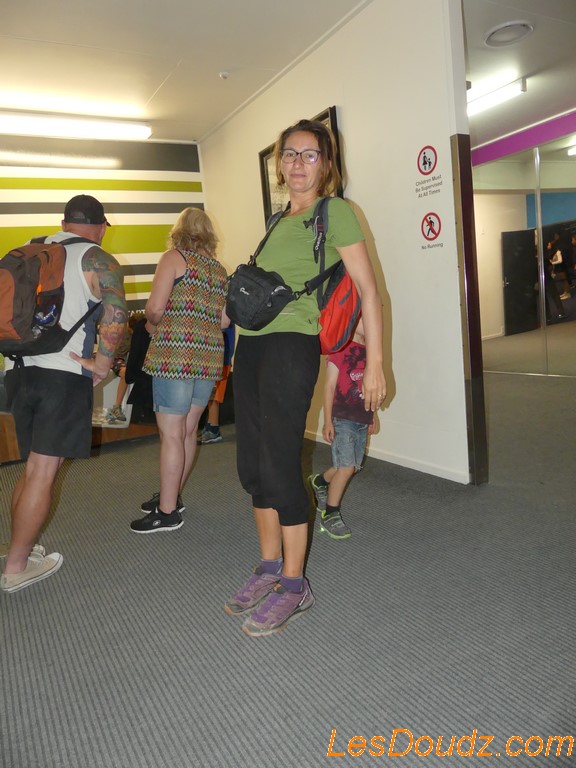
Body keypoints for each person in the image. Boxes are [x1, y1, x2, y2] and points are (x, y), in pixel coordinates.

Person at [224, 118, 386, 637]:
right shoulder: (277, 220)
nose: (298, 163)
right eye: (290, 154)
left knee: (279, 462)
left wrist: (375, 363)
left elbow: (369, 290)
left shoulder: (334, 213)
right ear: (280, 164)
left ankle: (295, 585)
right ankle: (269, 567)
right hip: (251, 347)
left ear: (326, 164)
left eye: (309, 154)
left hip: (292, 346)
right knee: (253, 465)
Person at [1, 194, 127, 593]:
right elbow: (117, 313)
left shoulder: (31, 249)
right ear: (102, 227)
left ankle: (19, 549)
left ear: (63, 223)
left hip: (17, 372)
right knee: (43, 472)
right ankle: (16, 566)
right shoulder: (97, 259)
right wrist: (103, 364)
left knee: (32, 469)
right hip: (62, 373)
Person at [131, 207, 229, 533]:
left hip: (175, 355)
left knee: (172, 434)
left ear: (179, 231)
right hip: (209, 357)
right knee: (187, 432)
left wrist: (152, 323)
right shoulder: (219, 270)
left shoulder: (174, 258)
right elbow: (224, 321)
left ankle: (167, 511)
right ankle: (171, 497)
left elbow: (155, 308)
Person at [308, 317, 375, 540]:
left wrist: (372, 416)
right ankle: (330, 514)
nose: (372, 321)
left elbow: (370, 387)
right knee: (346, 468)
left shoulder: (370, 351)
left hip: (362, 417)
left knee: (351, 466)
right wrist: (327, 421)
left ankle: (320, 481)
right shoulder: (341, 349)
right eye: (366, 317)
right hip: (342, 418)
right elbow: (329, 387)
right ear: (353, 320)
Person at [198, 324, 235, 444]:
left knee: (214, 393)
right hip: (214, 354)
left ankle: (213, 428)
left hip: (220, 355)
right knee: (210, 393)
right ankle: (210, 425)